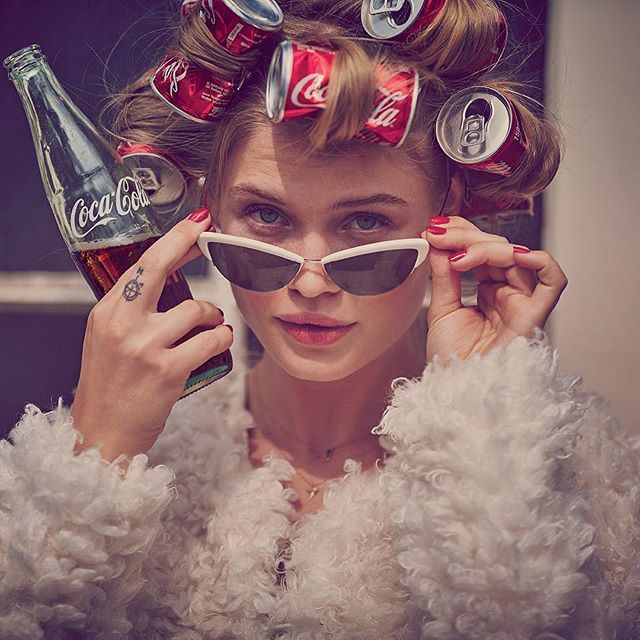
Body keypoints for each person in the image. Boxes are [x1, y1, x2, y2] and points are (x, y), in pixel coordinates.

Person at [1, 1, 639, 638]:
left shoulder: (567, 468)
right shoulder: (135, 454)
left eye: (366, 223)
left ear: (446, 211)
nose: (310, 280)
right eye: (268, 218)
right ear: (207, 206)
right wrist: (92, 455)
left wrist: (483, 415)